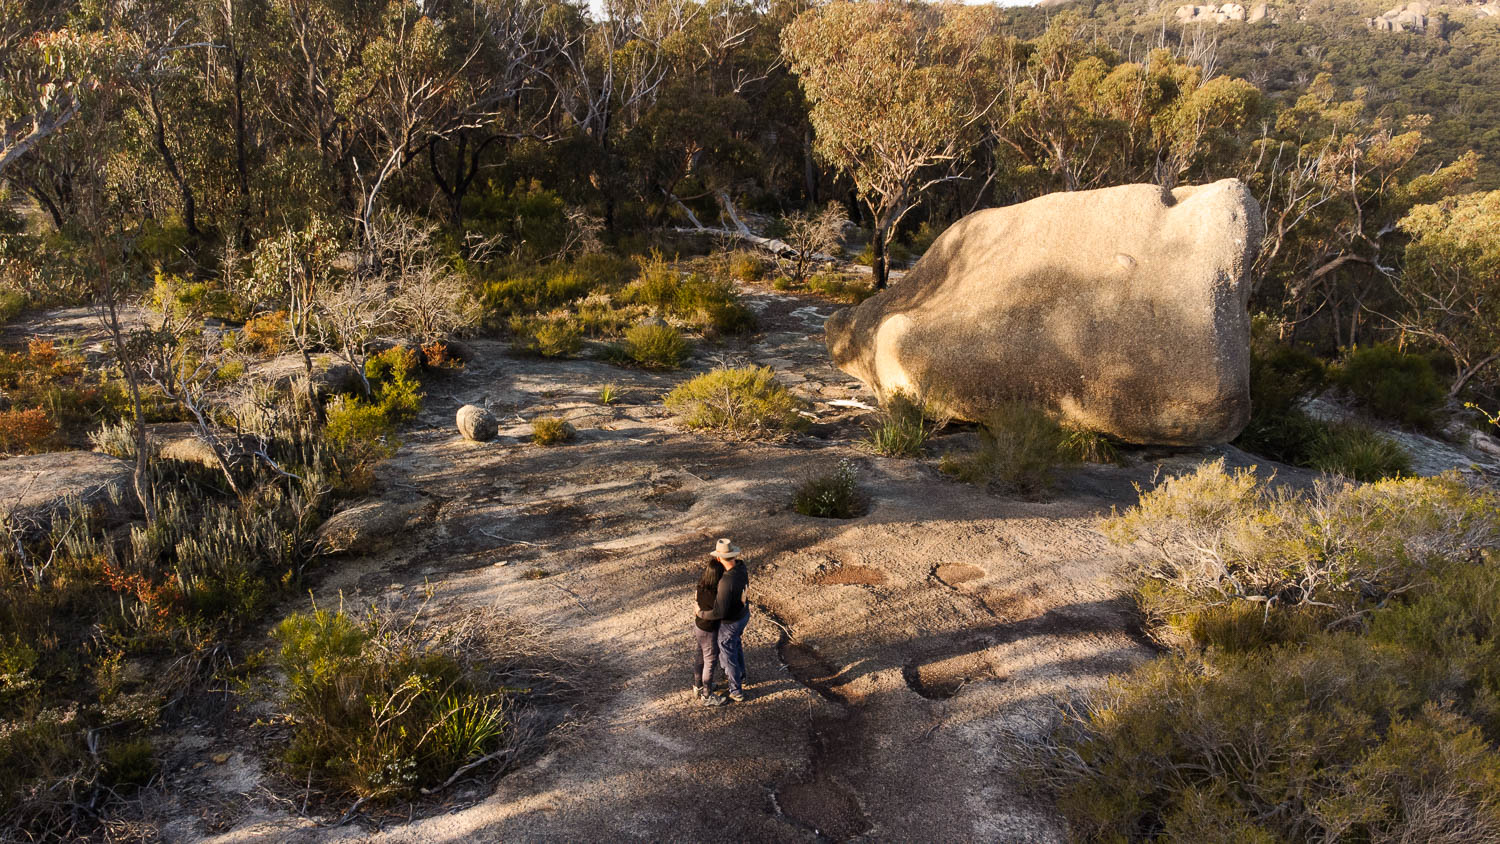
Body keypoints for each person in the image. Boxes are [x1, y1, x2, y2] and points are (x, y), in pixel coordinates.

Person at [698, 538, 750, 703]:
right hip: (743, 614)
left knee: (728, 655)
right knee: (736, 644)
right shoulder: (741, 567)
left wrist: (701, 614)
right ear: (733, 555)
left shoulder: (726, 581)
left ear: (719, 558)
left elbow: (719, 612)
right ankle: (741, 676)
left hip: (730, 623)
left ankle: (736, 691)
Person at [692, 556, 726, 704]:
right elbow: (720, 613)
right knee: (710, 661)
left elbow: (695, 600)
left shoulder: (701, 585)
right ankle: (707, 696)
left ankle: (698, 686)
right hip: (709, 631)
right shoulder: (716, 594)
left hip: (698, 626)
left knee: (700, 656)